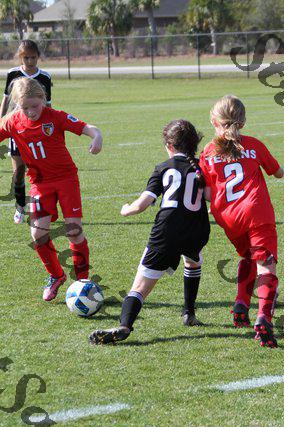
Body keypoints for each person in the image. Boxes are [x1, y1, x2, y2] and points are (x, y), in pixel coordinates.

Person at [89, 119, 210, 345]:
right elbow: (211, 196)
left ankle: (125, 325)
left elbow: (142, 204)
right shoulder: (202, 167)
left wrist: (126, 209)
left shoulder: (164, 167)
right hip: (196, 231)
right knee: (193, 261)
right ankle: (189, 313)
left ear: (169, 145)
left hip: (166, 232)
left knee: (140, 287)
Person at [0, 77, 103, 301]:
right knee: (38, 234)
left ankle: (82, 282)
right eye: (24, 107)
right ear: (17, 105)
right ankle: (56, 275)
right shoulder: (13, 121)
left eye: (35, 106)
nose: (30, 112)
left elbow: (88, 128)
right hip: (39, 183)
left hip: (66, 180)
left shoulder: (56, 116)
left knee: (74, 231)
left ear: (43, 99)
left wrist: (97, 137)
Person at [199, 95, 284, 348]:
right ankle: (264, 319)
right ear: (243, 123)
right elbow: (279, 173)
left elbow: (206, 193)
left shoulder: (208, 151)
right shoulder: (253, 145)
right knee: (265, 266)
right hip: (257, 212)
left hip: (227, 217)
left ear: (214, 121)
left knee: (247, 257)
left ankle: (240, 306)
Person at [0, 40, 52, 224]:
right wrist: (2, 120)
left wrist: (50, 129)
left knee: (40, 171)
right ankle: (20, 206)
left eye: (33, 57)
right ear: (20, 57)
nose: (30, 61)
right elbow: (6, 100)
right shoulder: (13, 74)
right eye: (26, 58)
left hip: (37, 132)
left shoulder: (44, 77)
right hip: (17, 130)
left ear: (38, 56)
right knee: (19, 172)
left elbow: (48, 105)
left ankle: (42, 206)